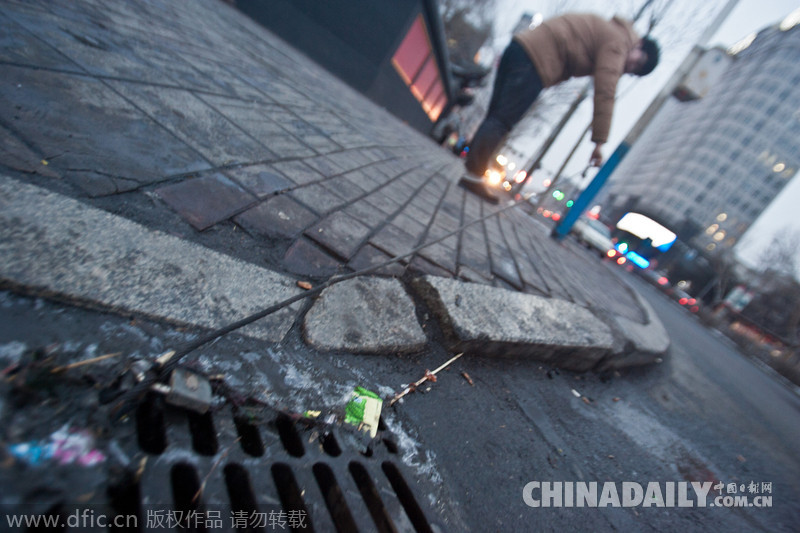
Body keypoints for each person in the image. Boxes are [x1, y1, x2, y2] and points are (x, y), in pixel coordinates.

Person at [459, 13, 660, 203]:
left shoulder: (611, 31)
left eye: (634, 72)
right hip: (534, 60)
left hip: (520, 47)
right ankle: (474, 176)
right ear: (639, 44)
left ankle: (472, 174)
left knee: (496, 116)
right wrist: (599, 142)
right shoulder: (619, 43)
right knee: (502, 120)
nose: (630, 68)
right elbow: (605, 92)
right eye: (638, 62)